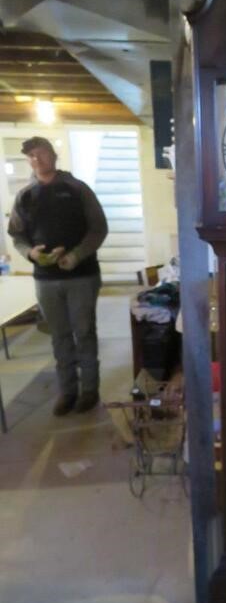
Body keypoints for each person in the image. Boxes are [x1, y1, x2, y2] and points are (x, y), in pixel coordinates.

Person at [8, 136, 108, 416]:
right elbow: (16, 235)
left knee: (84, 333)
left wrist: (76, 255)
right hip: (45, 280)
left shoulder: (77, 189)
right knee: (59, 336)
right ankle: (68, 391)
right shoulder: (25, 196)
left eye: (41, 153)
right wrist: (31, 254)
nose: (36, 159)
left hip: (82, 276)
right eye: (31, 156)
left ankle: (89, 390)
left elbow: (98, 229)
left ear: (54, 155)